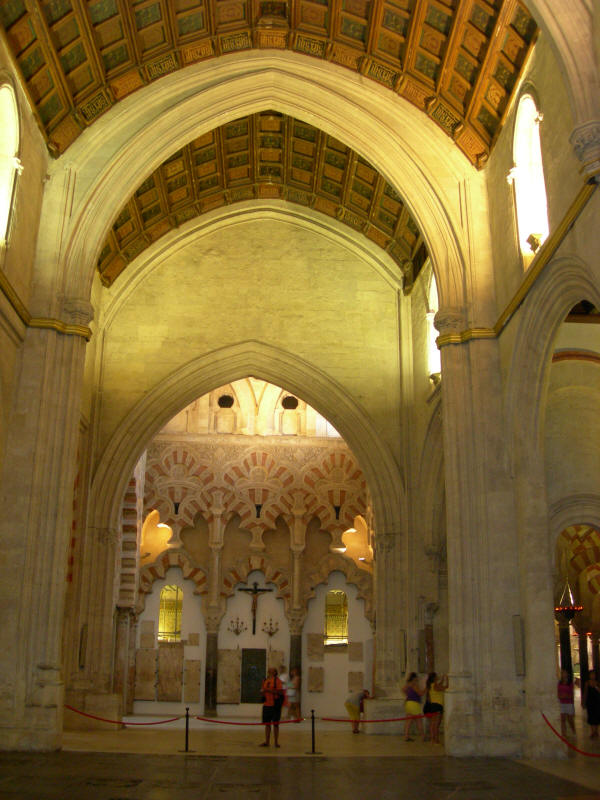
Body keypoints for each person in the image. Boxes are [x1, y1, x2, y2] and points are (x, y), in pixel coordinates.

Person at [259, 667, 284, 747]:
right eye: (269, 670)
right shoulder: (265, 680)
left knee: (275, 724)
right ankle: (267, 741)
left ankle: (276, 742)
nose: (269, 671)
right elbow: (263, 690)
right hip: (266, 705)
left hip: (275, 705)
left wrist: (269, 690)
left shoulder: (277, 681)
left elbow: (280, 692)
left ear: (275, 672)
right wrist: (262, 692)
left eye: (271, 670)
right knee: (267, 724)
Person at [423, 672, 448, 744]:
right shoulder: (435, 685)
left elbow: (439, 685)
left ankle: (432, 739)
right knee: (436, 724)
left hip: (432, 705)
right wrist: (447, 680)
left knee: (432, 724)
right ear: (434, 678)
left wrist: (442, 679)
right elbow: (446, 687)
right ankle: (436, 740)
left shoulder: (430, 685)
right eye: (436, 676)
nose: (438, 677)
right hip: (438, 706)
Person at [402, 672, 425, 742]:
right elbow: (420, 693)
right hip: (414, 704)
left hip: (408, 703)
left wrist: (409, 694)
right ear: (414, 678)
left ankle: (406, 736)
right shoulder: (414, 685)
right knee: (419, 721)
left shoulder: (407, 685)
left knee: (408, 721)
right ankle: (423, 736)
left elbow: (403, 690)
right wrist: (425, 689)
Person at [557, 668, 575, 737]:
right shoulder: (559, 683)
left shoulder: (570, 683)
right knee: (563, 719)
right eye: (562, 673)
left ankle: (573, 730)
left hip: (569, 703)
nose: (563, 674)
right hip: (562, 703)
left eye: (565, 673)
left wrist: (566, 696)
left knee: (570, 719)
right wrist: (560, 696)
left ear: (567, 674)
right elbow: (558, 693)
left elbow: (571, 694)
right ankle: (564, 733)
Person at [583, 668, 600, 739]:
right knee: (591, 716)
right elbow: (585, 693)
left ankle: (596, 731)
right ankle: (592, 732)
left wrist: (597, 688)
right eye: (591, 674)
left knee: (597, 716)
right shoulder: (587, 683)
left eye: (594, 674)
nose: (592, 676)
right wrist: (584, 702)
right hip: (590, 702)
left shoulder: (598, 683)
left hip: (597, 702)